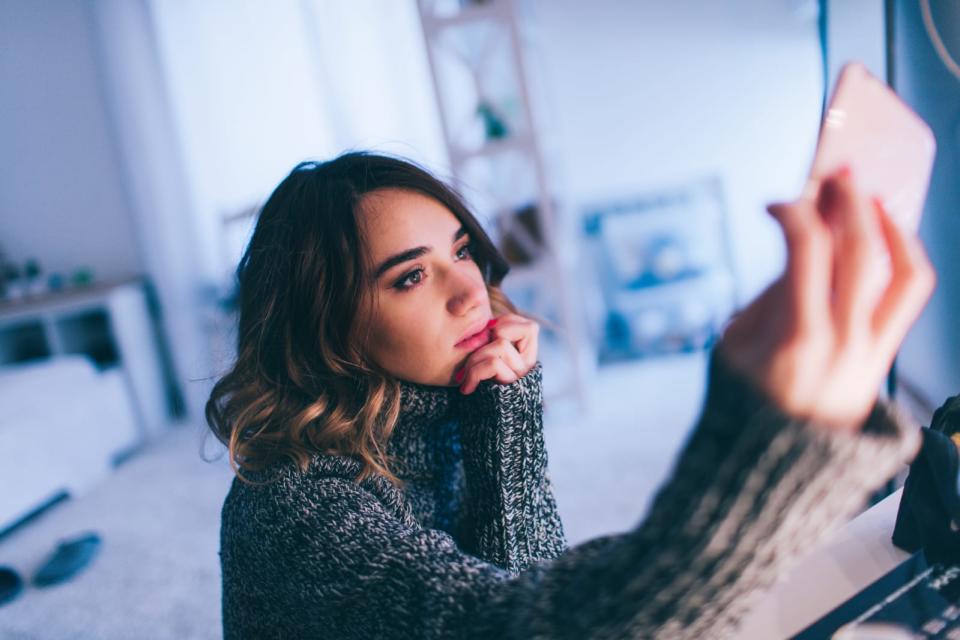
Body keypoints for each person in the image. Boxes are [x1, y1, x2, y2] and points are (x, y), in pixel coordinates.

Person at [206, 151, 935, 639]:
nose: (471, 290)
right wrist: (763, 454)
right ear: (324, 326)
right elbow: (527, 624)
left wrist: (504, 418)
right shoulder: (290, 511)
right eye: (410, 276)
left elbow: (524, 577)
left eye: (460, 250)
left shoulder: (453, 409)